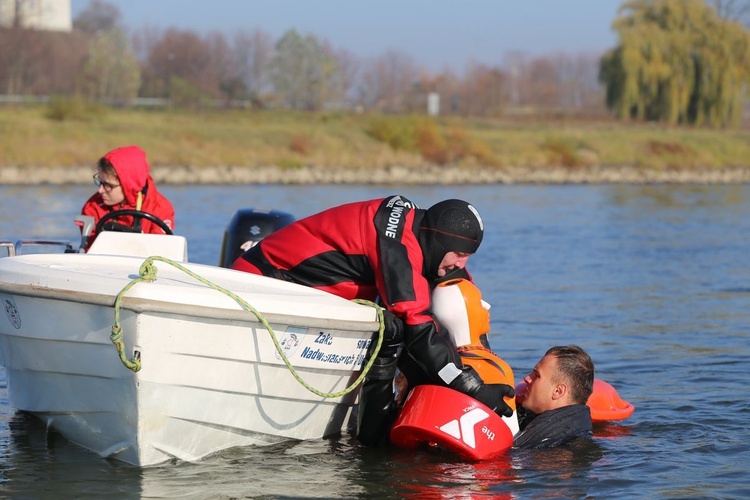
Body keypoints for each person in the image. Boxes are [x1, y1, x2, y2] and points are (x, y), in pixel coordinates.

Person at [230, 194, 515, 445]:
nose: (461, 263)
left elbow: (459, 290)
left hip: (313, 294)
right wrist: (471, 389)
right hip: (263, 284)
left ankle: (412, 413)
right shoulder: (396, 244)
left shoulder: (419, 232)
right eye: (460, 255)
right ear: (438, 242)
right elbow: (418, 329)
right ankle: (378, 440)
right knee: (403, 328)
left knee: (407, 325)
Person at [78, 145, 175, 250]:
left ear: (128, 185)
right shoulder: (92, 208)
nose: (100, 190)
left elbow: (159, 254)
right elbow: (91, 252)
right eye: (100, 182)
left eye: (108, 185)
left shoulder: (160, 208)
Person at [513, 345, 595, 449]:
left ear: (558, 391)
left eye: (537, 375)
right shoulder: (578, 429)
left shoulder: (562, 448)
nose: (527, 378)